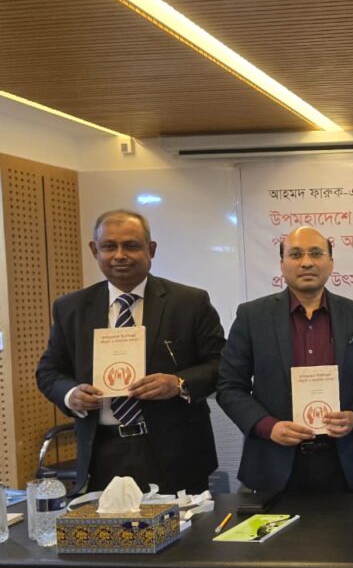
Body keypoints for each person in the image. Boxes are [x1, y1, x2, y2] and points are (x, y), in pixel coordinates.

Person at [36, 209, 224, 493]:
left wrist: (179, 383)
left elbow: (221, 364)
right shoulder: (71, 308)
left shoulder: (190, 302)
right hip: (102, 451)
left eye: (131, 246)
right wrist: (70, 394)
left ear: (151, 249)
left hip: (177, 453)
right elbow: (49, 371)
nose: (120, 255)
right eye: (109, 246)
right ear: (94, 250)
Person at [217, 226, 353, 494]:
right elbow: (229, 386)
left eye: (316, 253)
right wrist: (268, 427)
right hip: (273, 462)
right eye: (296, 254)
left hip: (342, 463)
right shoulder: (252, 316)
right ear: (282, 264)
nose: (306, 262)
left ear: (331, 262)